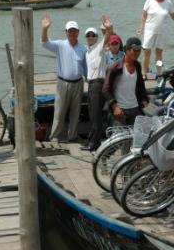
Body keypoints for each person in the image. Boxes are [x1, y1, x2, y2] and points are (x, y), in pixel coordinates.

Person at [41, 16, 87, 143]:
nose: (72, 33)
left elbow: (86, 67)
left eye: (74, 30)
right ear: (65, 32)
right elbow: (44, 43)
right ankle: (55, 136)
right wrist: (45, 29)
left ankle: (72, 135)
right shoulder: (60, 45)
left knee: (75, 112)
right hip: (63, 83)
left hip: (78, 83)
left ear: (78, 32)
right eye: (70, 30)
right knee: (59, 111)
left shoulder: (83, 48)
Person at [83, 16, 113, 151]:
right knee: (91, 114)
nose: (90, 37)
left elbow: (108, 37)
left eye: (93, 35)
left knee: (96, 115)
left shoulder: (99, 48)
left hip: (98, 84)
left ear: (96, 37)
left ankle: (95, 144)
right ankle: (91, 140)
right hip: (91, 84)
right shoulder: (87, 51)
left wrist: (108, 28)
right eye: (88, 35)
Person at [103, 37, 148, 126]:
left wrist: (144, 99)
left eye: (139, 50)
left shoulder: (138, 66)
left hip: (135, 108)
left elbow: (140, 86)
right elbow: (105, 90)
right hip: (120, 111)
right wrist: (115, 107)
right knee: (121, 138)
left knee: (135, 138)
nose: (137, 53)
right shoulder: (114, 68)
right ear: (126, 50)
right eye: (134, 50)